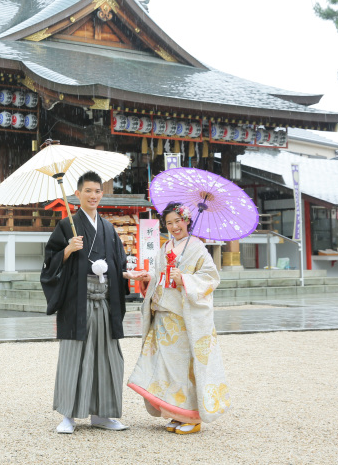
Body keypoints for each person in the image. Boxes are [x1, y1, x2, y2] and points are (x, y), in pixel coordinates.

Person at [40, 170, 143, 434]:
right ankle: (69, 415)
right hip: (79, 302)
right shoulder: (66, 226)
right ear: (78, 194)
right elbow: (49, 265)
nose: (94, 195)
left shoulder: (108, 228)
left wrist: (126, 273)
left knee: (107, 357)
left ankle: (103, 414)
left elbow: (118, 263)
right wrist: (67, 250)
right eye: (88, 191)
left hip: (105, 301)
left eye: (98, 191)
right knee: (75, 356)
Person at [127, 202, 230, 435]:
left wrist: (185, 278)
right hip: (163, 314)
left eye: (177, 221)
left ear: (187, 221)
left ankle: (191, 417)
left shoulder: (197, 248)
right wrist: (148, 277)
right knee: (166, 367)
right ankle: (174, 412)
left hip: (183, 318)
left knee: (184, 367)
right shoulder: (166, 247)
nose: (174, 227)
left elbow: (211, 278)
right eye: (169, 223)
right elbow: (160, 276)